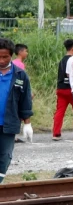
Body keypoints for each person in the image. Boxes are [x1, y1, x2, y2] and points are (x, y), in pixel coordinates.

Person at [0, 38, 34, 184]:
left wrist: (27, 123)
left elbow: (25, 100)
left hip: (8, 124)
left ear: (11, 55)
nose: (1, 60)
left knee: (5, 156)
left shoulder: (20, 75)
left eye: (5, 57)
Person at [52, 38, 73, 141]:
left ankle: (56, 133)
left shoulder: (62, 60)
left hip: (61, 89)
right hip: (72, 89)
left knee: (59, 111)